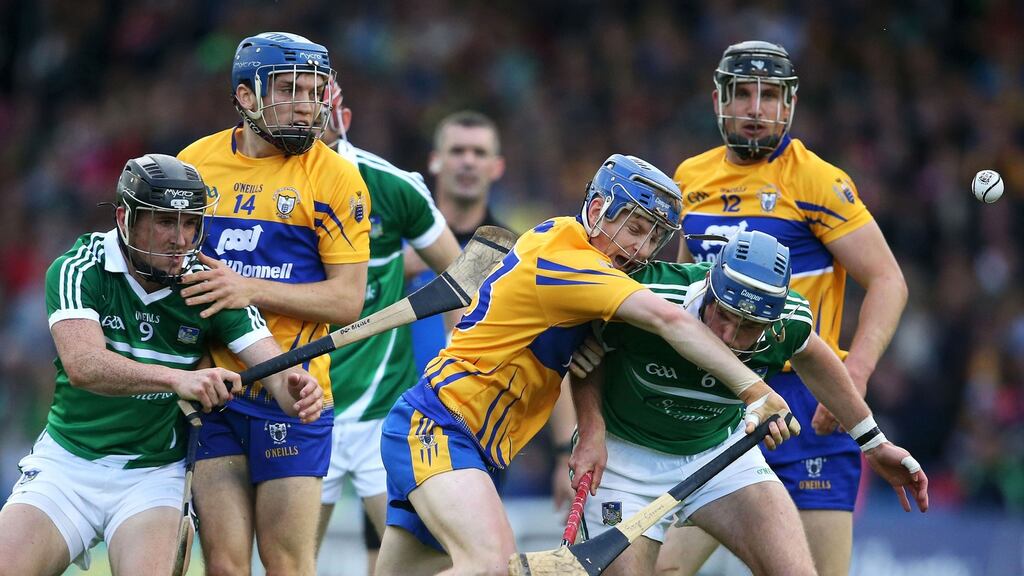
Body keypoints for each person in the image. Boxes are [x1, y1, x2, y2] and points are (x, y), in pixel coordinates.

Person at [374, 154, 801, 576]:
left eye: (654, 239)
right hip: (440, 427)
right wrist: (756, 391)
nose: (642, 250)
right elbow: (670, 319)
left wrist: (581, 344)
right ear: (597, 210)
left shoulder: (573, 254)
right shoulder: (571, 258)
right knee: (492, 568)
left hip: (476, 443)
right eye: (634, 229)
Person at [0, 154, 323, 576]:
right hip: (68, 465)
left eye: (190, 224)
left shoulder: (206, 283)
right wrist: (180, 380)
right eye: (166, 223)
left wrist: (294, 389)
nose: (181, 239)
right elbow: (84, 365)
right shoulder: (80, 268)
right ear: (124, 218)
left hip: (152, 477)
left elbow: (271, 362)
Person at [670, 41, 909, 575]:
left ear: (790, 105)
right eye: (745, 94)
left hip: (805, 399)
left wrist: (855, 372)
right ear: (718, 99)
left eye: (771, 96)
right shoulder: (690, 178)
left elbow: (889, 280)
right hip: (719, 395)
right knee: (665, 566)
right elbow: (685, 286)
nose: (757, 109)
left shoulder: (818, 181)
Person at [565, 230, 928, 576]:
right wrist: (592, 430)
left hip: (719, 454)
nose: (728, 335)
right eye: (723, 314)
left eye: (749, 326)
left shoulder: (788, 321)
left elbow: (817, 360)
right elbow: (588, 354)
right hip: (623, 463)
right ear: (710, 287)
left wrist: (874, 443)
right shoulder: (652, 293)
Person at [176, 32, 371, 575]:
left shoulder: (336, 177)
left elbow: (347, 300)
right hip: (216, 394)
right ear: (245, 97)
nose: (306, 105)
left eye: (314, 92)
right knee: (225, 566)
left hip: (297, 394)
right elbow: (175, 275)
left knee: (286, 563)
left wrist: (248, 289)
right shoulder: (195, 166)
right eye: (290, 90)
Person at [314, 79, 461, 575]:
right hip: (301, 411)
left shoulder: (391, 185)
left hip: (382, 417)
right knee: (285, 566)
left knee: (429, 567)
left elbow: (467, 278)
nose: (307, 119)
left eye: (320, 106)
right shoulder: (266, 194)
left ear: (344, 119)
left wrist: (462, 369)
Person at [406, 110, 513, 374]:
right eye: (457, 151)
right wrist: (395, 271)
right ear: (434, 161)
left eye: (479, 153)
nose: (468, 161)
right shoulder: (399, 241)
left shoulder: (515, 254)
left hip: (469, 411)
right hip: (390, 408)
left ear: (497, 166)